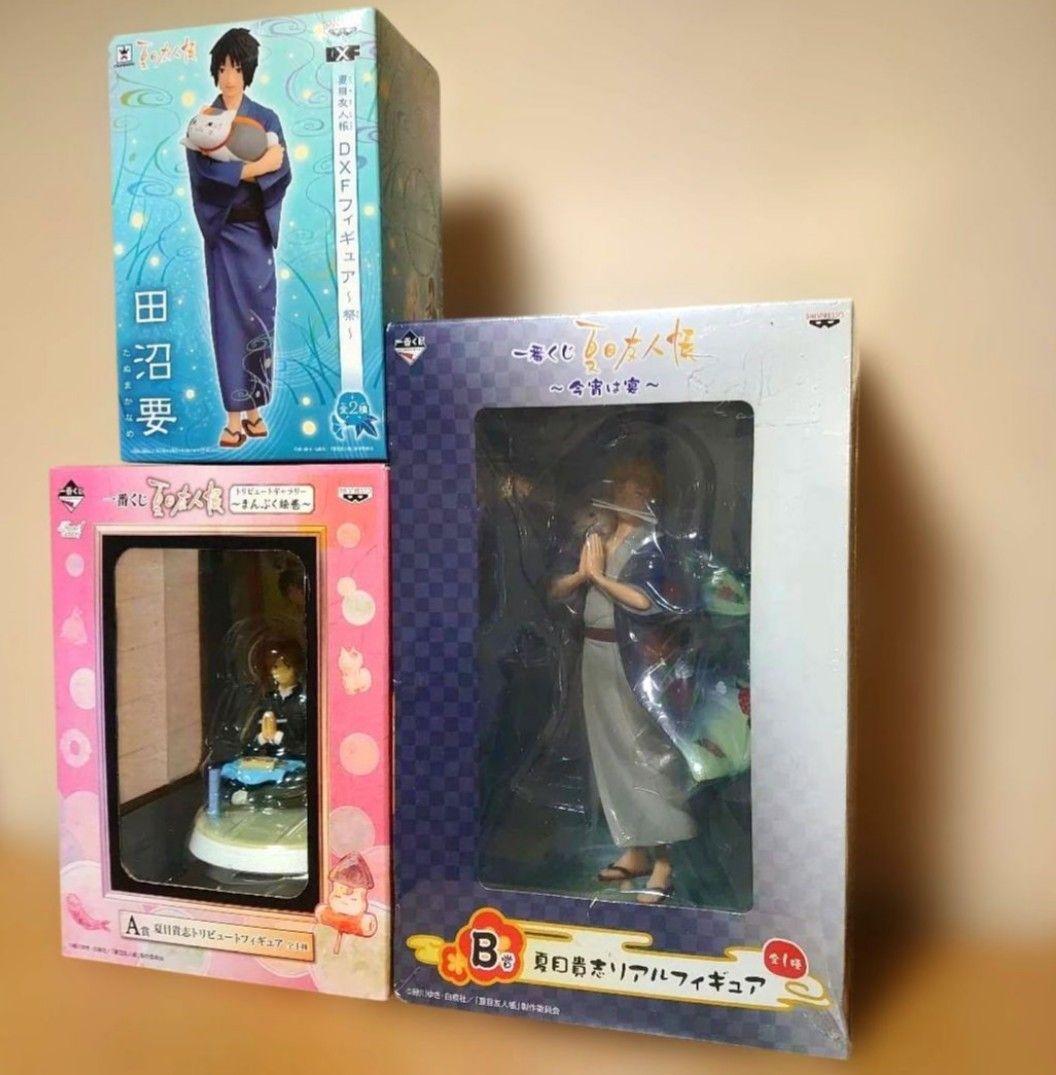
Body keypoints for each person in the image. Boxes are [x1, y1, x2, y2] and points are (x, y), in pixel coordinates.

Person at [550, 458, 696, 904]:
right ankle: (635, 850)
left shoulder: (655, 545)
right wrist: (583, 575)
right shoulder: (596, 538)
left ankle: (665, 859)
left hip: (634, 659)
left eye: (642, 488)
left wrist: (599, 578)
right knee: (609, 751)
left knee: (645, 752)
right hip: (594, 654)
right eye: (627, 486)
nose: (633, 494)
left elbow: (646, 602)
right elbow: (556, 591)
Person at [185, 27, 291, 449]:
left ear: (248, 71)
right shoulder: (203, 121)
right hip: (225, 233)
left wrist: (254, 167)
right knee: (229, 321)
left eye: (237, 68)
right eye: (223, 68)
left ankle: (254, 411)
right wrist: (254, 167)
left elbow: (282, 167)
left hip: (256, 233)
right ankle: (233, 418)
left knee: (260, 316)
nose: (229, 77)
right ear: (215, 72)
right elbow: (206, 178)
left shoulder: (266, 117)